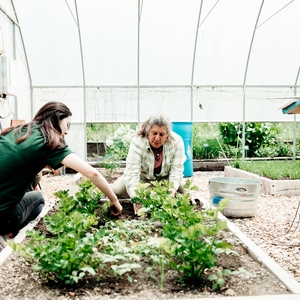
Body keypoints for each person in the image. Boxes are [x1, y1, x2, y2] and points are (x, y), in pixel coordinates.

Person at [0, 101, 122, 250]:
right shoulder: (49, 142)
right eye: (67, 125)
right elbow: (92, 173)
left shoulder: (18, 131)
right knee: (38, 200)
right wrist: (114, 199)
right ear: (57, 120)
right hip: (2, 214)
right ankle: (6, 234)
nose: (67, 132)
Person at [112, 113, 186, 208]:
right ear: (148, 132)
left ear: (167, 135)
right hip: (142, 179)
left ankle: (160, 194)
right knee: (116, 190)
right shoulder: (137, 143)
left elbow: (177, 170)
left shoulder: (177, 142)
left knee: (186, 191)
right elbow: (132, 174)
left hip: (165, 179)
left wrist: (172, 190)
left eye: (162, 134)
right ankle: (153, 194)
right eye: (154, 133)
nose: (157, 138)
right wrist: (136, 198)